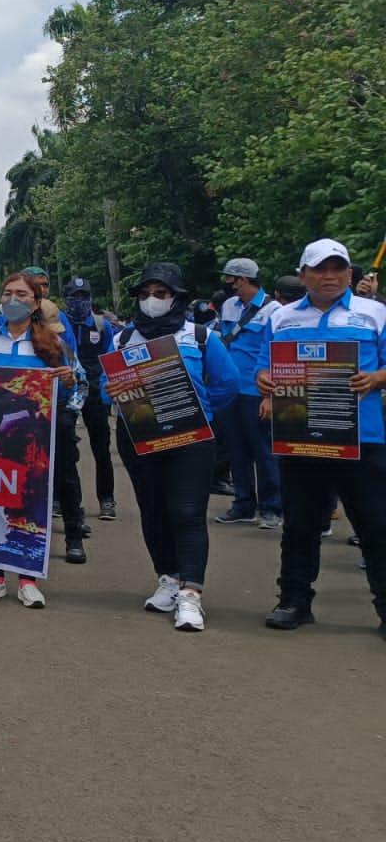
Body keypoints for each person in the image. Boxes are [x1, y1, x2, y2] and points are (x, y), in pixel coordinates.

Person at [255, 239, 386, 637]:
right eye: (319, 269)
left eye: (337, 268)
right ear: (303, 275)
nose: (328, 277)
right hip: (300, 436)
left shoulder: (375, 313)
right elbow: (264, 367)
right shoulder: (281, 318)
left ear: (350, 274)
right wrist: (263, 381)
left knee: (376, 524)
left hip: (363, 436)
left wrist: (377, 378)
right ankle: (294, 600)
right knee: (300, 524)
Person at [108, 263, 239, 631]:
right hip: (139, 436)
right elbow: (109, 382)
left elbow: (229, 382)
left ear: (176, 298)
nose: (152, 300)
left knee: (187, 512)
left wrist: (199, 411)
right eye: (146, 293)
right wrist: (113, 392)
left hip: (190, 438)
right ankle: (167, 577)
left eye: (161, 293)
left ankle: (191, 594)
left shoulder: (200, 336)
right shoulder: (122, 339)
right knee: (152, 509)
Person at [0, 271, 87, 607]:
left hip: (34, 439)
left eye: (21, 294)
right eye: (7, 293)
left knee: (31, 503)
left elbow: (71, 387)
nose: (12, 300)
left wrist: (67, 379)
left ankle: (28, 577)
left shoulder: (52, 341)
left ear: (36, 302)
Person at [214, 257, 283, 529]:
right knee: (236, 449)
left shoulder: (274, 310)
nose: (228, 285)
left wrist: (270, 396)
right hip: (229, 389)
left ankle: (271, 507)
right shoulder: (228, 306)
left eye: (230, 279)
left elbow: (275, 355)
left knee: (264, 450)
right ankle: (243, 505)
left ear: (241, 280)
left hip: (256, 390)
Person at [64, 277, 117, 522]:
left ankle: (106, 499)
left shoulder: (102, 326)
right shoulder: (59, 325)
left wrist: (106, 394)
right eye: (74, 296)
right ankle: (60, 500)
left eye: (83, 296)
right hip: (68, 389)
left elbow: (110, 359)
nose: (79, 301)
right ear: (66, 298)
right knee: (63, 448)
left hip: (95, 391)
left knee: (101, 447)